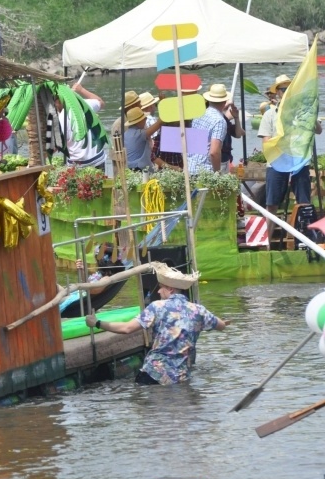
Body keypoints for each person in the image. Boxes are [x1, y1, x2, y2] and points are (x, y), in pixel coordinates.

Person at [85, 262, 229, 385]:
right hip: (180, 378)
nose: (158, 291)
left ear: (170, 289)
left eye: (161, 287)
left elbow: (127, 328)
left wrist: (97, 322)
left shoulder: (157, 307)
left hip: (154, 374)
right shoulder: (199, 311)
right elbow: (221, 325)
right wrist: (223, 322)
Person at [258, 73, 323, 239]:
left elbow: (318, 130)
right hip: (277, 163)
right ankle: (267, 242)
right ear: (277, 92)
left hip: (299, 162)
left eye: (289, 88)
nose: (286, 91)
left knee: (303, 202)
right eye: (283, 89)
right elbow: (266, 142)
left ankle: (304, 239)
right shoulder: (269, 114)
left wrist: (312, 115)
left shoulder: (302, 112)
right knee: (271, 204)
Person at [53, 83, 108, 169]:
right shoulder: (85, 105)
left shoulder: (61, 119)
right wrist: (82, 90)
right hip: (98, 160)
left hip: (79, 164)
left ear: (59, 101)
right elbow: (101, 102)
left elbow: (56, 146)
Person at [188, 84, 229, 175]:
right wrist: (217, 173)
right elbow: (214, 152)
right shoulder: (219, 121)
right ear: (224, 101)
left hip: (189, 167)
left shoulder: (198, 114)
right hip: (205, 171)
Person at [123, 107, 163, 171]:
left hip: (130, 168)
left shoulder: (125, 134)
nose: (146, 119)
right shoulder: (139, 134)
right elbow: (159, 123)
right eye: (144, 118)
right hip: (140, 169)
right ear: (138, 122)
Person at [220, 101, 245, 173]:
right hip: (218, 161)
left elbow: (238, 135)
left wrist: (236, 117)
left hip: (225, 160)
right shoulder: (217, 119)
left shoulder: (224, 119)